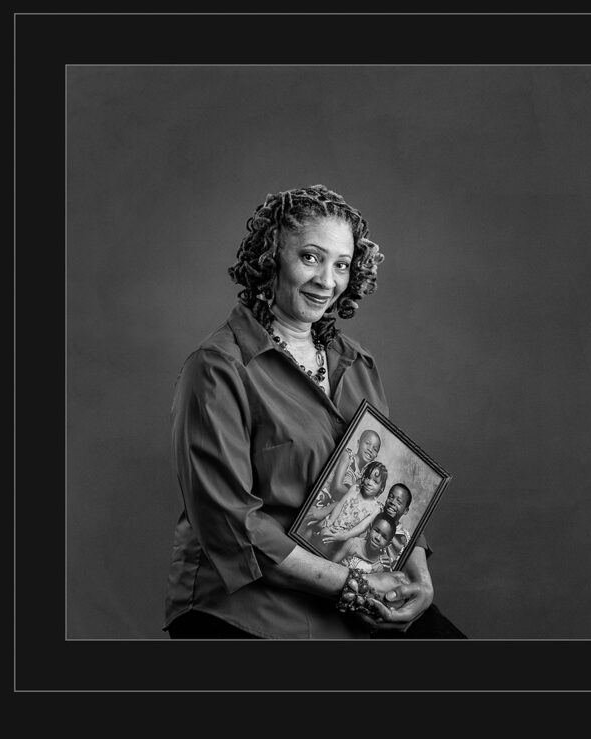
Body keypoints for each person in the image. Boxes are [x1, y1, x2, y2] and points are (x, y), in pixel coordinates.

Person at [163, 184, 455, 639]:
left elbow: (389, 486)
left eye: (341, 265)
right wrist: (354, 585)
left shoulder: (357, 364)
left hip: (354, 597)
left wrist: (417, 577)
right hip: (247, 610)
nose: (327, 281)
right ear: (271, 258)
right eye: (311, 258)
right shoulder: (218, 368)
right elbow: (231, 526)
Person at [304, 460, 389, 555]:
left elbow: (361, 527)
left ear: (381, 488)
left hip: (346, 535)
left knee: (325, 537)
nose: (369, 482)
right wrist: (330, 521)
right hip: (333, 521)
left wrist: (342, 536)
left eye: (375, 481)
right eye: (368, 477)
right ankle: (304, 547)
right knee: (311, 528)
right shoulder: (355, 489)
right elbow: (340, 505)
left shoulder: (375, 508)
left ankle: (315, 556)